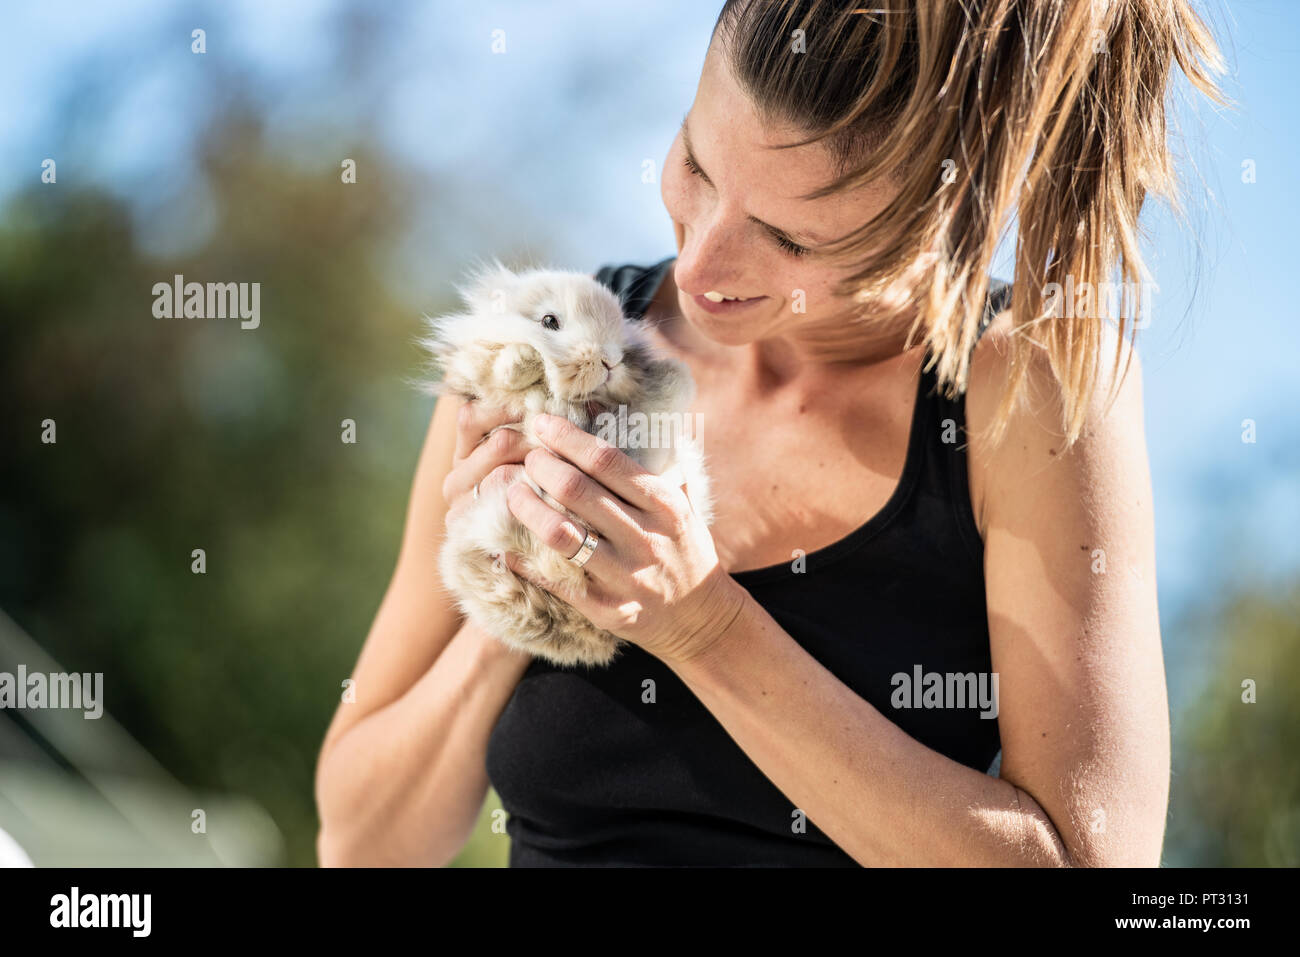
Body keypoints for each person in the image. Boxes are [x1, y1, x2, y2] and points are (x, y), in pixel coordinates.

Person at [315, 0, 1225, 866]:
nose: (702, 264)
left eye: (791, 240)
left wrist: (703, 626)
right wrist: (528, 581)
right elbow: (360, 845)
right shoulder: (556, 344)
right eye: (697, 167)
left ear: (939, 219)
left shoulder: (1028, 388)